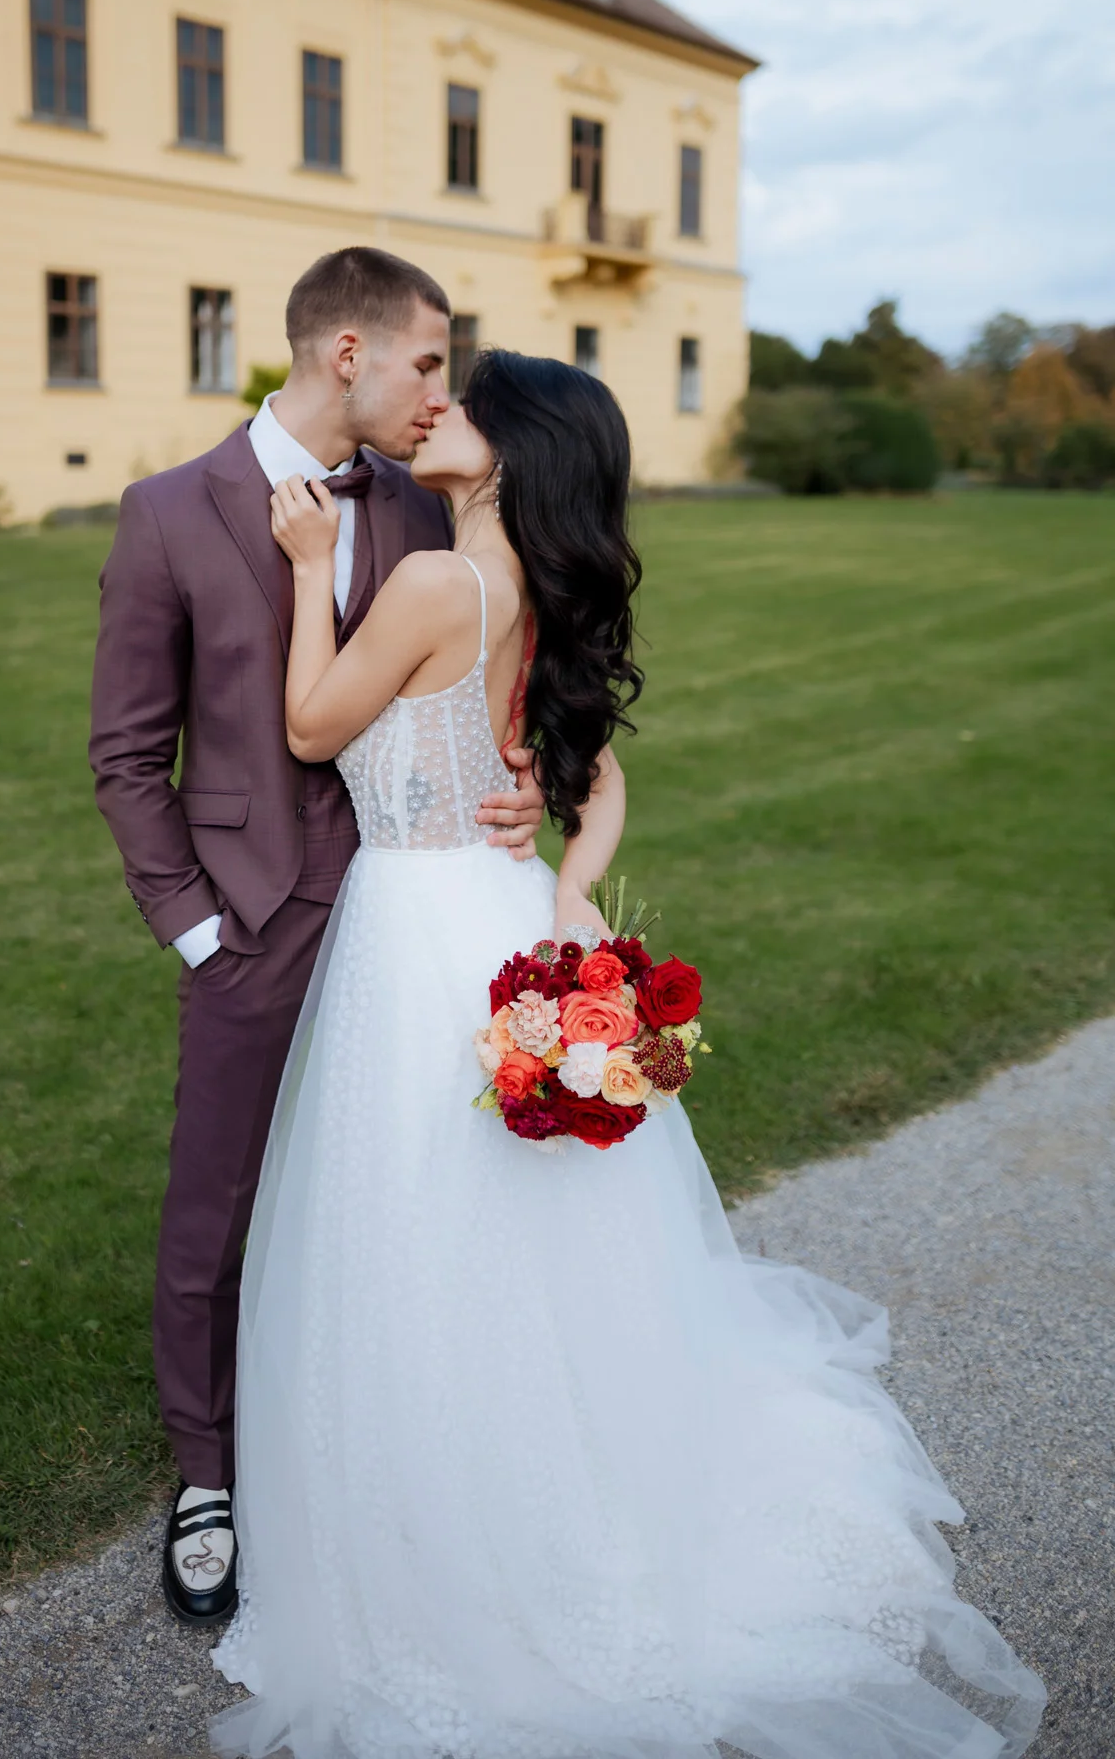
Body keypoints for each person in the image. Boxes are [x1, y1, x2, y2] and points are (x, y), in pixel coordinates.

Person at [209, 349, 1046, 1759]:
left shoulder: (430, 584)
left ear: (517, 450)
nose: (438, 412)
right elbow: (595, 778)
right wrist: (569, 882)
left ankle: (457, 1525)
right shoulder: (531, 587)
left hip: (416, 922)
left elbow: (309, 727)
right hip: (489, 912)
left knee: (416, 1221)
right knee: (513, 1232)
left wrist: (303, 567)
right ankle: (554, 1480)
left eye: (465, 404)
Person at [89, 249, 545, 1624]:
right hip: (253, 919)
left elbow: (473, 686)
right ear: (348, 351)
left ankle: (384, 1441)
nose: (436, 391)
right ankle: (209, 1475)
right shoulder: (169, 513)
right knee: (212, 1206)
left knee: (408, 1193)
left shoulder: (426, 510)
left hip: (412, 910)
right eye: (424, 362)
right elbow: (125, 758)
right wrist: (191, 930)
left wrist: (516, 787)